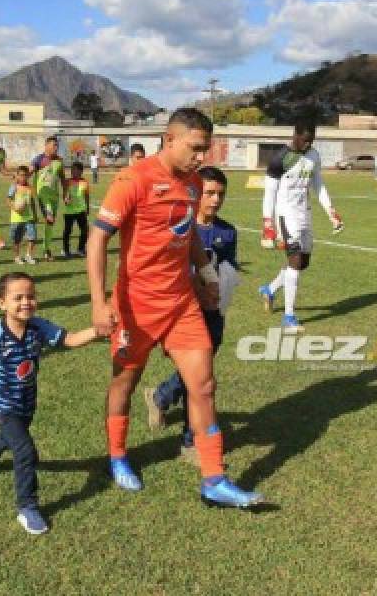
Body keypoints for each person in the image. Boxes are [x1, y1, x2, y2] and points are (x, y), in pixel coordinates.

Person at [87, 107, 261, 508]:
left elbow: (189, 234)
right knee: (124, 385)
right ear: (170, 139)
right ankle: (117, 456)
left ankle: (213, 480)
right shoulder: (133, 179)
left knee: (203, 386)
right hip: (135, 307)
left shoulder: (195, 184)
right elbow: (97, 241)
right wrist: (99, 303)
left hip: (181, 303)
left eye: (206, 149)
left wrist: (206, 273)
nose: (202, 158)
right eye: (196, 149)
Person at [0, 271, 104, 535]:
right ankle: (27, 506)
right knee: (25, 451)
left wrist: (97, 330)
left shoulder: (38, 327)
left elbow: (69, 339)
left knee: (13, 438)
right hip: (3, 405)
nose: (26, 302)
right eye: (18, 298)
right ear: (2, 303)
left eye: (31, 296)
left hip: (27, 401)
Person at [143, 165, 239, 460]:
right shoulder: (182, 229)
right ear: (196, 194)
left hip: (214, 312)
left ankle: (160, 396)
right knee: (198, 377)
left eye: (220, 194)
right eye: (209, 193)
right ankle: (189, 441)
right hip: (184, 312)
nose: (214, 200)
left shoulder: (228, 231)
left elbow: (227, 269)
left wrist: (221, 292)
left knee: (196, 373)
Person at [258, 120, 344, 333]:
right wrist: (267, 223)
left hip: (305, 214)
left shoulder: (313, 155)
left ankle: (269, 289)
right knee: (295, 261)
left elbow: (318, 184)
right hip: (286, 216)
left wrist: (331, 211)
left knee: (303, 263)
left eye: (311, 141)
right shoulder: (280, 159)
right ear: (294, 135)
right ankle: (289, 317)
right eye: (305, 141)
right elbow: (269, 193)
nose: (307, 145)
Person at [31, 137, 65, 261]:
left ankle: (47, 249)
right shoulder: (39, 159)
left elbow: (62, 178)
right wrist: (19, 180)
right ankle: (46, 251)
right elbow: (30, 171)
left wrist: (65, 193)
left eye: (57, 145)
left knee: (50, 223)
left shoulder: (59, 161)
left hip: (55, 196)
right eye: (54, 145)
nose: (56, 148)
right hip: (43, 194)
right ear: (46, 145)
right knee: (49, 218)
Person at [7, 166, 38, 265]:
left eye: (25, 175)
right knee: (17, 240)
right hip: (17, 218)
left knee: (32, 237)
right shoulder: (14, 186)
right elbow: (8, 200)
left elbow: (32, 201)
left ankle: (28, 256)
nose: (23, 177)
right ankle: (17, 257)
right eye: (21, 175)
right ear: (17, 176)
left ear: (28, 176)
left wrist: (35, 214)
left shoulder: (29, 187)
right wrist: (15, 208)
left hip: (28, 217)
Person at [61, 161, 90, 259]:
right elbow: (64, 195)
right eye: (72, 170)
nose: (73, 172)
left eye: (75, 170)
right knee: (68, 231)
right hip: (69, 212)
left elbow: (86, 195)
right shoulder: (67, 182)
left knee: (85, 230)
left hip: (81, 211)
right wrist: (66, 199)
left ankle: (80, 249)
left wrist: (87, 207)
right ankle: (65, 250)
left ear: (81, 171)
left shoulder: (84, 182)